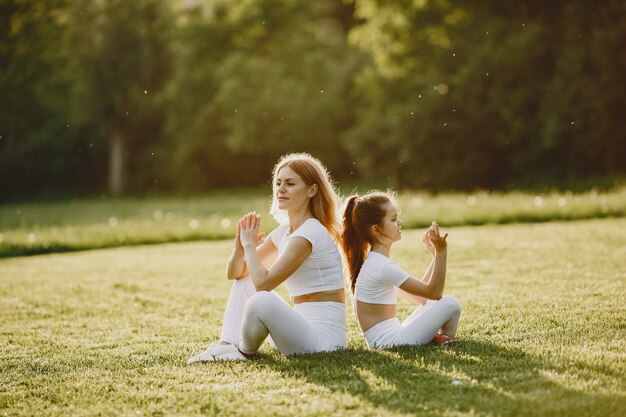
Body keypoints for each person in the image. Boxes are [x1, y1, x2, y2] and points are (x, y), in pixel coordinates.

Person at [188, 153, 346, 363]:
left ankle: (242, 351)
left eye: (290, 183)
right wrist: (239, 250)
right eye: (278, 183)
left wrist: (249, 246)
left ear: (312, 190)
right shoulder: (284, 233)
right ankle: (226, 345)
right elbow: (236, 273)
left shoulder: (310, 233)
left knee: (262, 298)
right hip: (297, 329)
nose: (281, 189)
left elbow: (264, 284)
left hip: (323, 342)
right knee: (245, 282)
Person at [340, 191, 461, 349]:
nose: (399, 222)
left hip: (391, 337)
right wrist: (442, 252)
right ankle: (444, 339)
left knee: (440, 303)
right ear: (376, 230)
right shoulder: (383, 266)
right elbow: (434, 293)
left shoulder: (377, 262)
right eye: (393, 219)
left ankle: (440, 338)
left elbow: (423, 298)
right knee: (451, 303)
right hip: (390, 343)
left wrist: (434, 256)